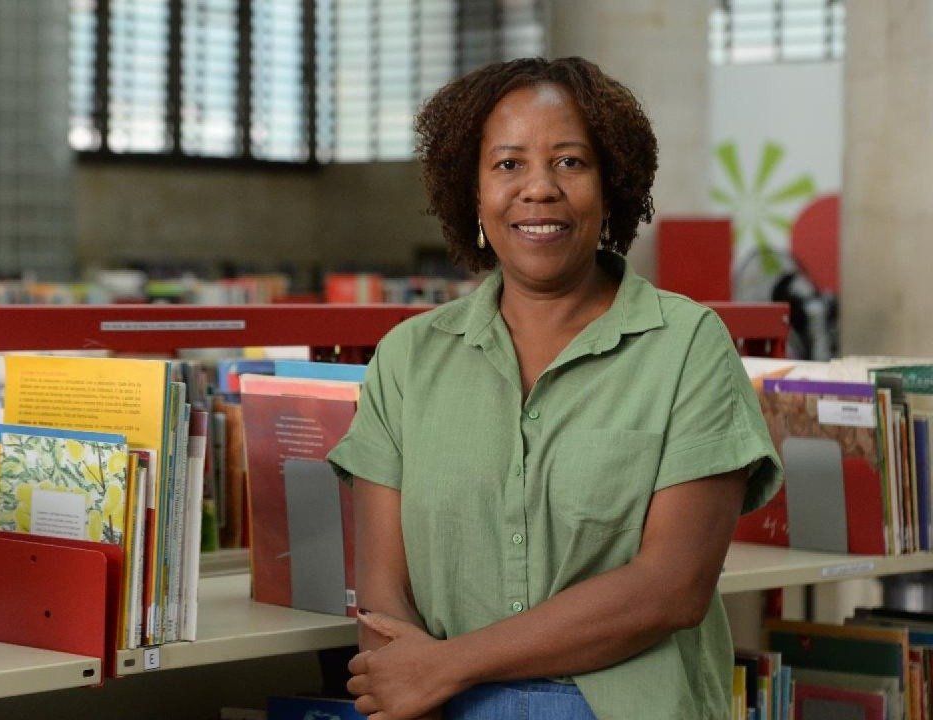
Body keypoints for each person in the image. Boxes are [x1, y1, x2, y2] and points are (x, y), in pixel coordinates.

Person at [326, 56, 782, 720]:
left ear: (612, 188)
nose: (538, 188)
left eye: (570, 162)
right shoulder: (407, 358)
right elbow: (383, 600)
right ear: (472, 193)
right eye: (508, 165)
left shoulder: (688, 346)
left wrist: (447, 665)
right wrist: (412, 682)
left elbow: (672, 588)